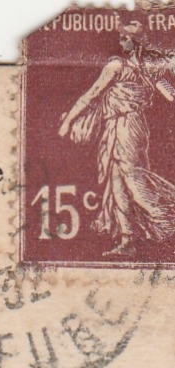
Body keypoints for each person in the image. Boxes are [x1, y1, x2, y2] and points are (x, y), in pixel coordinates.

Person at [59, 20, 175, 256]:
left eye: (123, 37)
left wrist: (67, 122)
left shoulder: (116, 66)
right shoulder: (151, 68)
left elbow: (90, 95)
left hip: (127, 125)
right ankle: (127, 239)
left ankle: (165, 219)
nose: (120, 41)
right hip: (120, 126)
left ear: (133, 42)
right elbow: (171, 96)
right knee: (116, 182)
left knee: (132, 178)